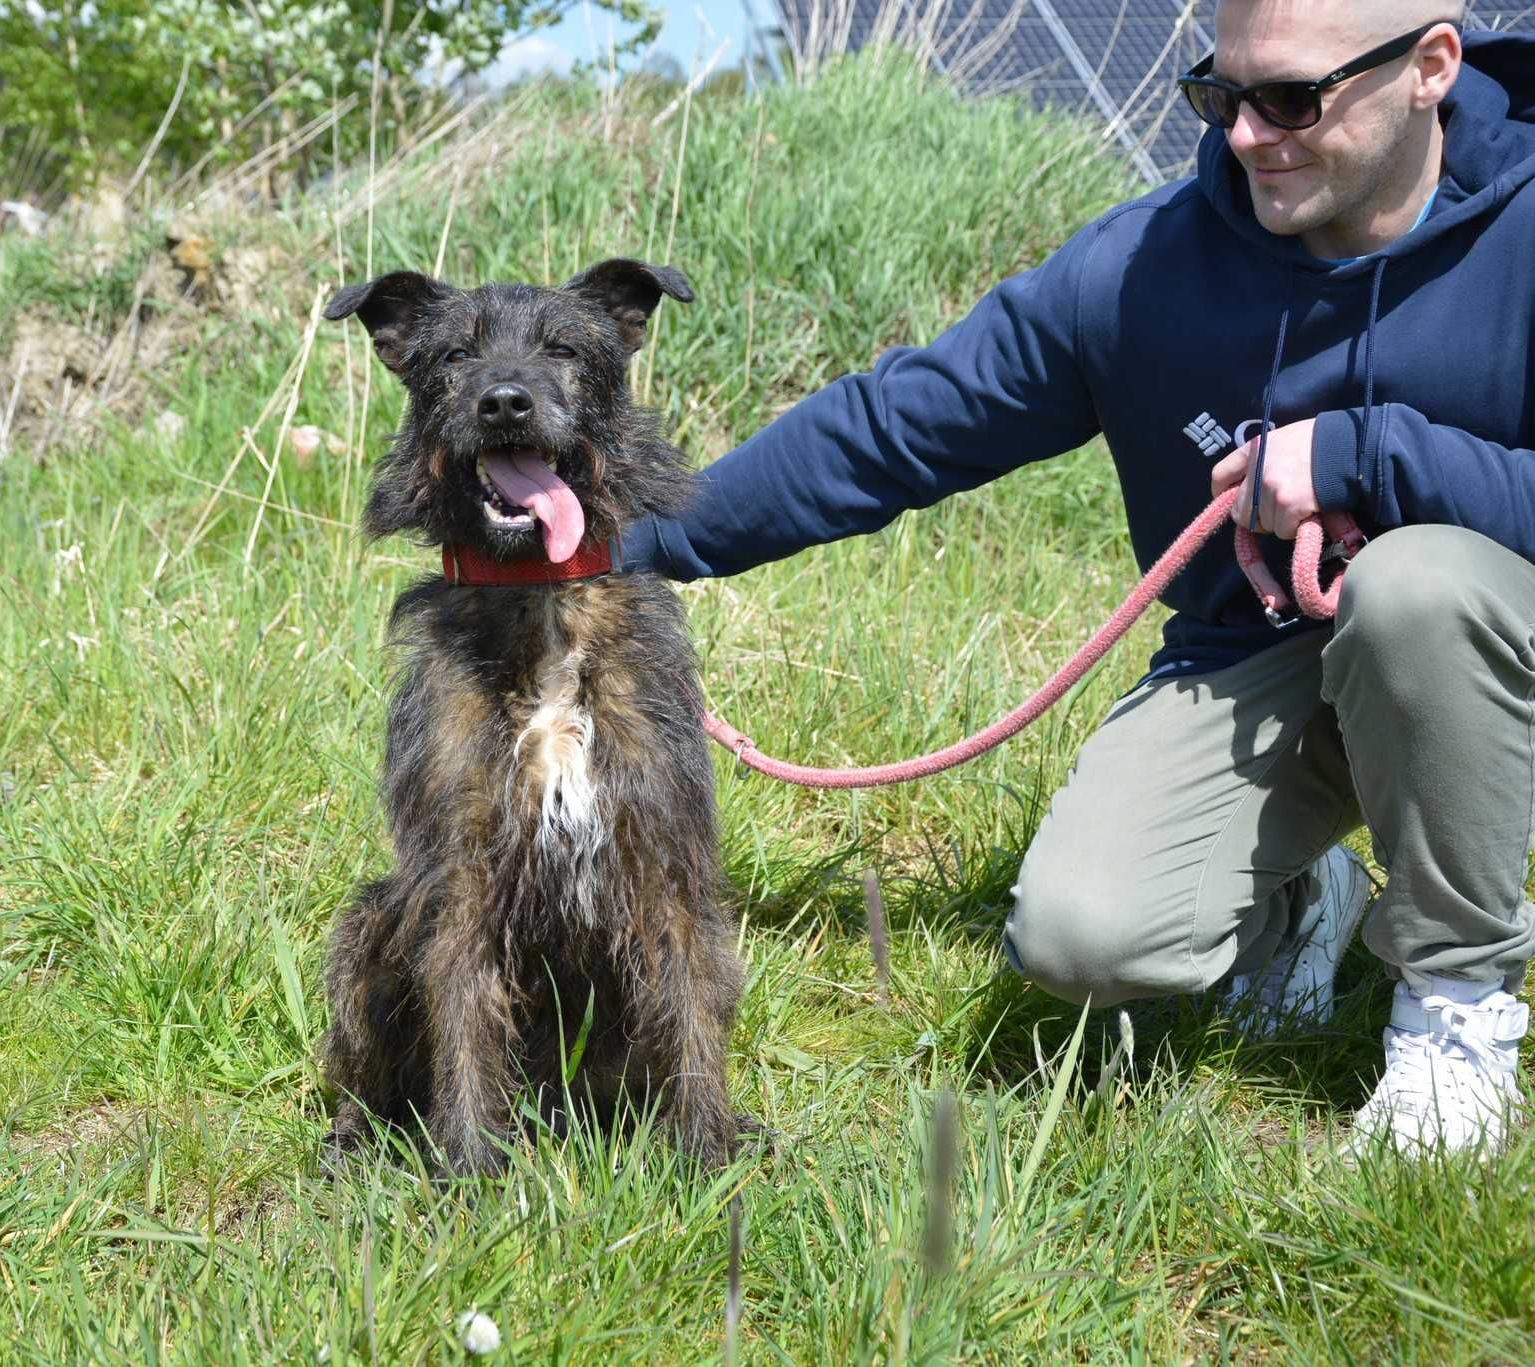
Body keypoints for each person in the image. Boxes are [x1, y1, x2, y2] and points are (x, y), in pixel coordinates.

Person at [620, 2, 1535, 1156]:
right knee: (1081, 938)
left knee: (1413, 591)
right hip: (1256, 648)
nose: (1247, 136)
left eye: (1291, 100)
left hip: (1494, 642)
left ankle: (1452, 1008)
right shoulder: (1143, 267)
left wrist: (1371, 453)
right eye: (1221, 95)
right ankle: (1302, 901)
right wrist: (633, 542)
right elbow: (897, 427)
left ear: (1428, 69)